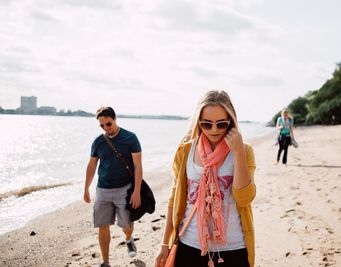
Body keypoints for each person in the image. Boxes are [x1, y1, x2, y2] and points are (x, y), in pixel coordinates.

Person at [154, 90, 256, 267]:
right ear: (198, 123)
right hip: (189, 244)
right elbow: (174, 200)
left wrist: (238, 153)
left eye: (221, 124)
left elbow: (244, 198)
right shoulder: (185, 151)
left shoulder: (244, 150)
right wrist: (164, 244)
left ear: (230, 121)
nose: (214, 130)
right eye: (207, 124)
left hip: (233, 248)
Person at [83, 107, 143, 267]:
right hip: (102, 190)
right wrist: (86, 188)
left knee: (126, 226)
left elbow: (138, 166)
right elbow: (91, 166)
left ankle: (129, 239)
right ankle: (106, 262)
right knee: (103, 226)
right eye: (102, 126)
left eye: (108, 124)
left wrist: (136, 191)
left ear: (115, 118)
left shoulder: (130, 138)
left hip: (125, 190)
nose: (105, 128)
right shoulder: (98, 141)